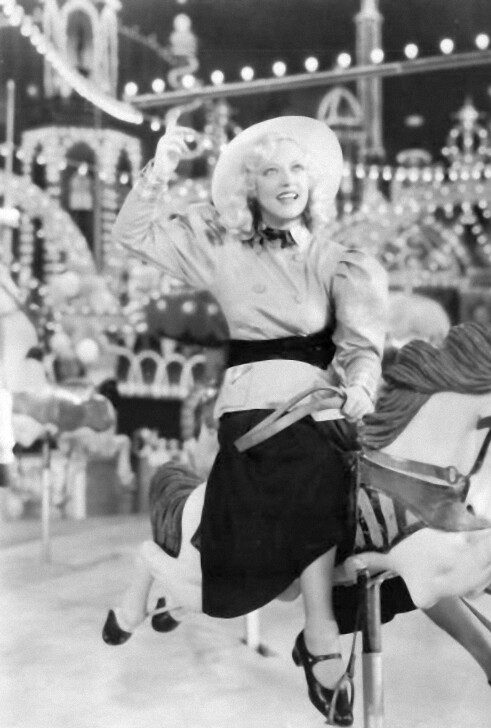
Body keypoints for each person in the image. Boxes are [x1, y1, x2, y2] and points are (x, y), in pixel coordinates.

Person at [112, 115, 388, 726]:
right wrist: (160, 169)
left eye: (297, 168)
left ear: (313, 182)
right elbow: (132, 234)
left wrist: (362, 387)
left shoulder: (337, 260)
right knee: (309, 460)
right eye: (271, 171)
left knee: (368, 480)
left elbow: (362, 347)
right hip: (252, 409)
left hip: (321, 406)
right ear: (250, 187)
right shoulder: (221, 247)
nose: (287, 180)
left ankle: (352, 604)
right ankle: (320, 633)